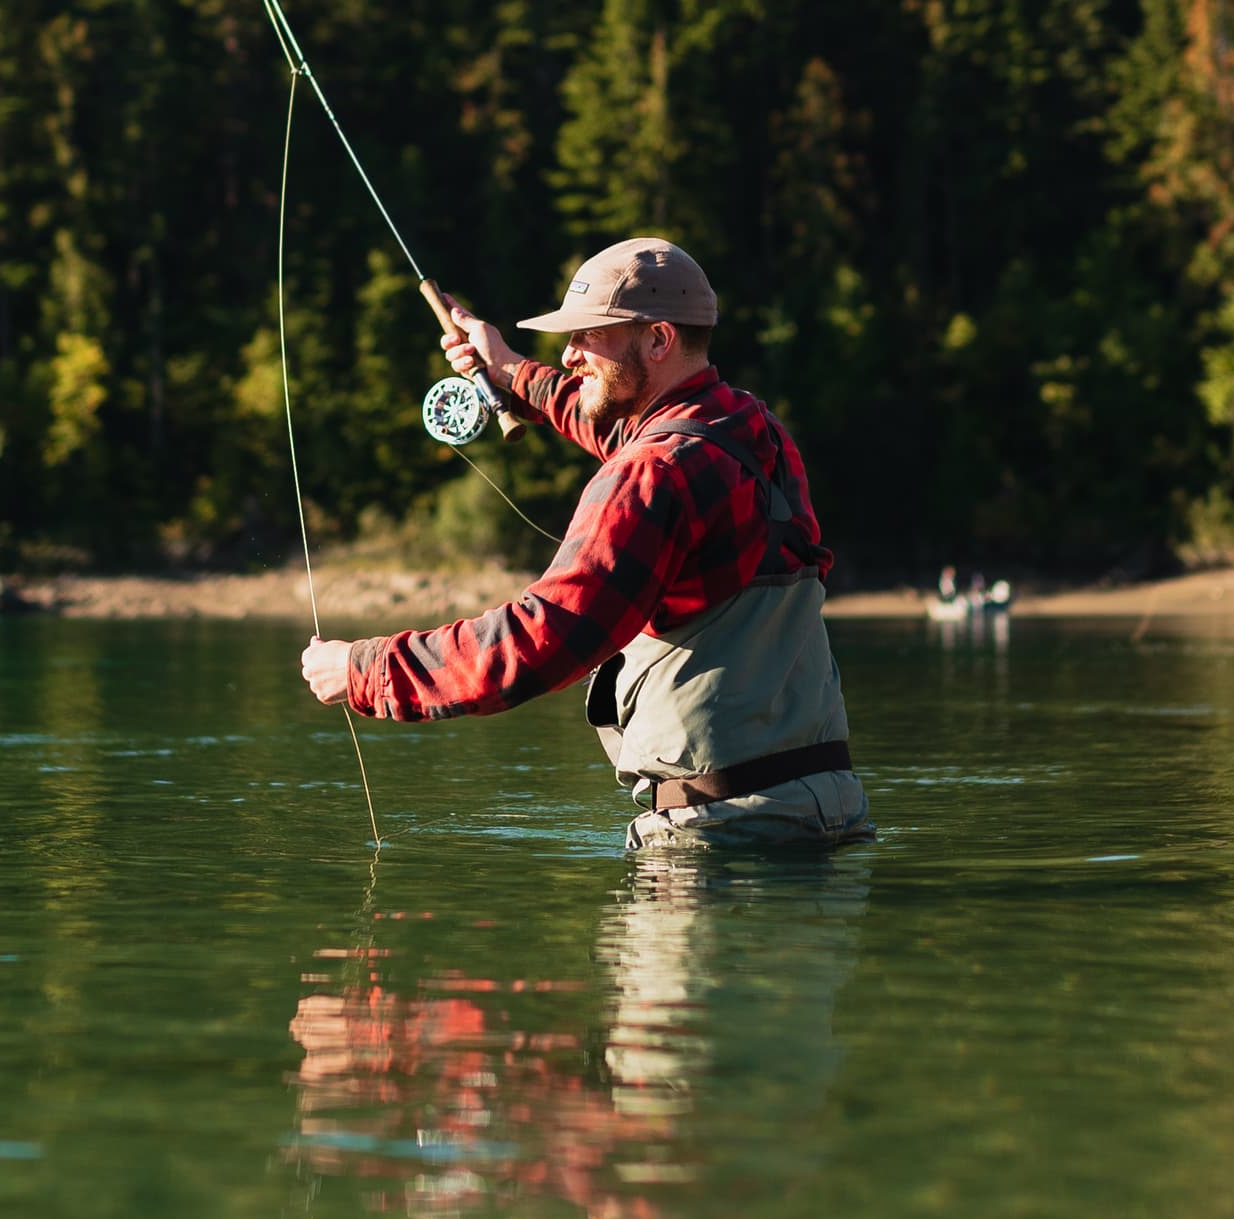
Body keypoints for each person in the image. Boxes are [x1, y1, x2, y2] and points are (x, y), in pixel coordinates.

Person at [299, 237, 871, 850]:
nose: (569, 355)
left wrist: (364, 669)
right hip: (829, 815)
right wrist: (509, 369)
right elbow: (618, 422)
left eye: (588, 336)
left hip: (722, 840)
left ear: (658, 339)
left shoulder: (650, 475)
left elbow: (538, 640)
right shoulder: (753, 430)